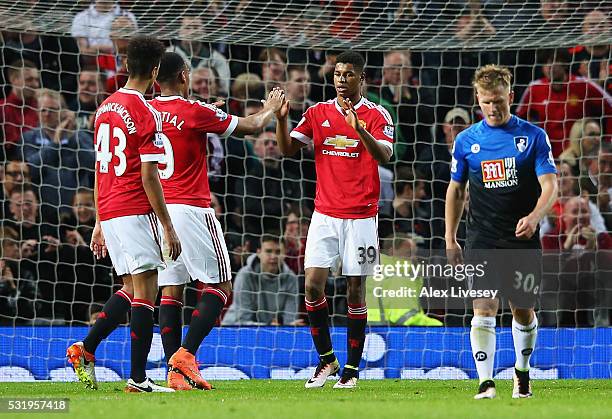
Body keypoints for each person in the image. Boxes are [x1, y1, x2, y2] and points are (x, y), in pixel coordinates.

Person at [148, 52, 285, 391]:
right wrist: (270, 106)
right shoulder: (196, 110)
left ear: (155, 81)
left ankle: (174, 372)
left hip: (158, 210)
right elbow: (253, 126)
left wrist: (211, 109)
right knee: (221, 287)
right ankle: (186, 355)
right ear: (184, 76)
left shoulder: (147, 111)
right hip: (192, 209)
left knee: (171, 289)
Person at [66, 36, 181, 393]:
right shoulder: (145, 112)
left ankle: (85, 349)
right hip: (132, 207)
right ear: (157, 70)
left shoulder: (105, 108)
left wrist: (100, 220)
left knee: (130, 289)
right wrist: (167, 225)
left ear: (127, 65)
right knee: (147, 292)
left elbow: (100, 169)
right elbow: (149, 175)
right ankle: (138, 378)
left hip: (112, 209)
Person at [275, 51, 394, 389]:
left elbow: (385, 154)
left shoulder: (376, 114)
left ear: (362, 79)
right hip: (324, 214)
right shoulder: (317, 113)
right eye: (338, 74)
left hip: (362, 218)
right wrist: (283, 119)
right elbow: (286, 150)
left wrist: (360, 130)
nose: (342, 80)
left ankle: (352, 370)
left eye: (349, 74)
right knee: (312, 284)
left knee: (355, 290)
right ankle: (327, 360)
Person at [445, 65, 558, 399]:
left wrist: (536, 216)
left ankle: (521, 373)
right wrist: (450, 237)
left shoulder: (533, 137)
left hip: (521, 238)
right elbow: (455, 189)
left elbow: (550, 184)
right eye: (486, 102)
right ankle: (485, 382)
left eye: (498, 101)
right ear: (477, 100)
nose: (493, 108)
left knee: (522, 310)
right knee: (483, 308)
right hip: (481, 237)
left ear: (510, 96)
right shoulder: (466, 141)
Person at [222, 235, 303, 326]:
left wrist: (288, 326)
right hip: (234, 329)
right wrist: (269, 327)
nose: (273, 256)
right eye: (268, 251)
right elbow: (243, 319)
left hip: (272, 329)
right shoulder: (245, 275)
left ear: (284, 254)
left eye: (278, 252)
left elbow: (290, 320)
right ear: (258, 253)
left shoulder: (291, 278)